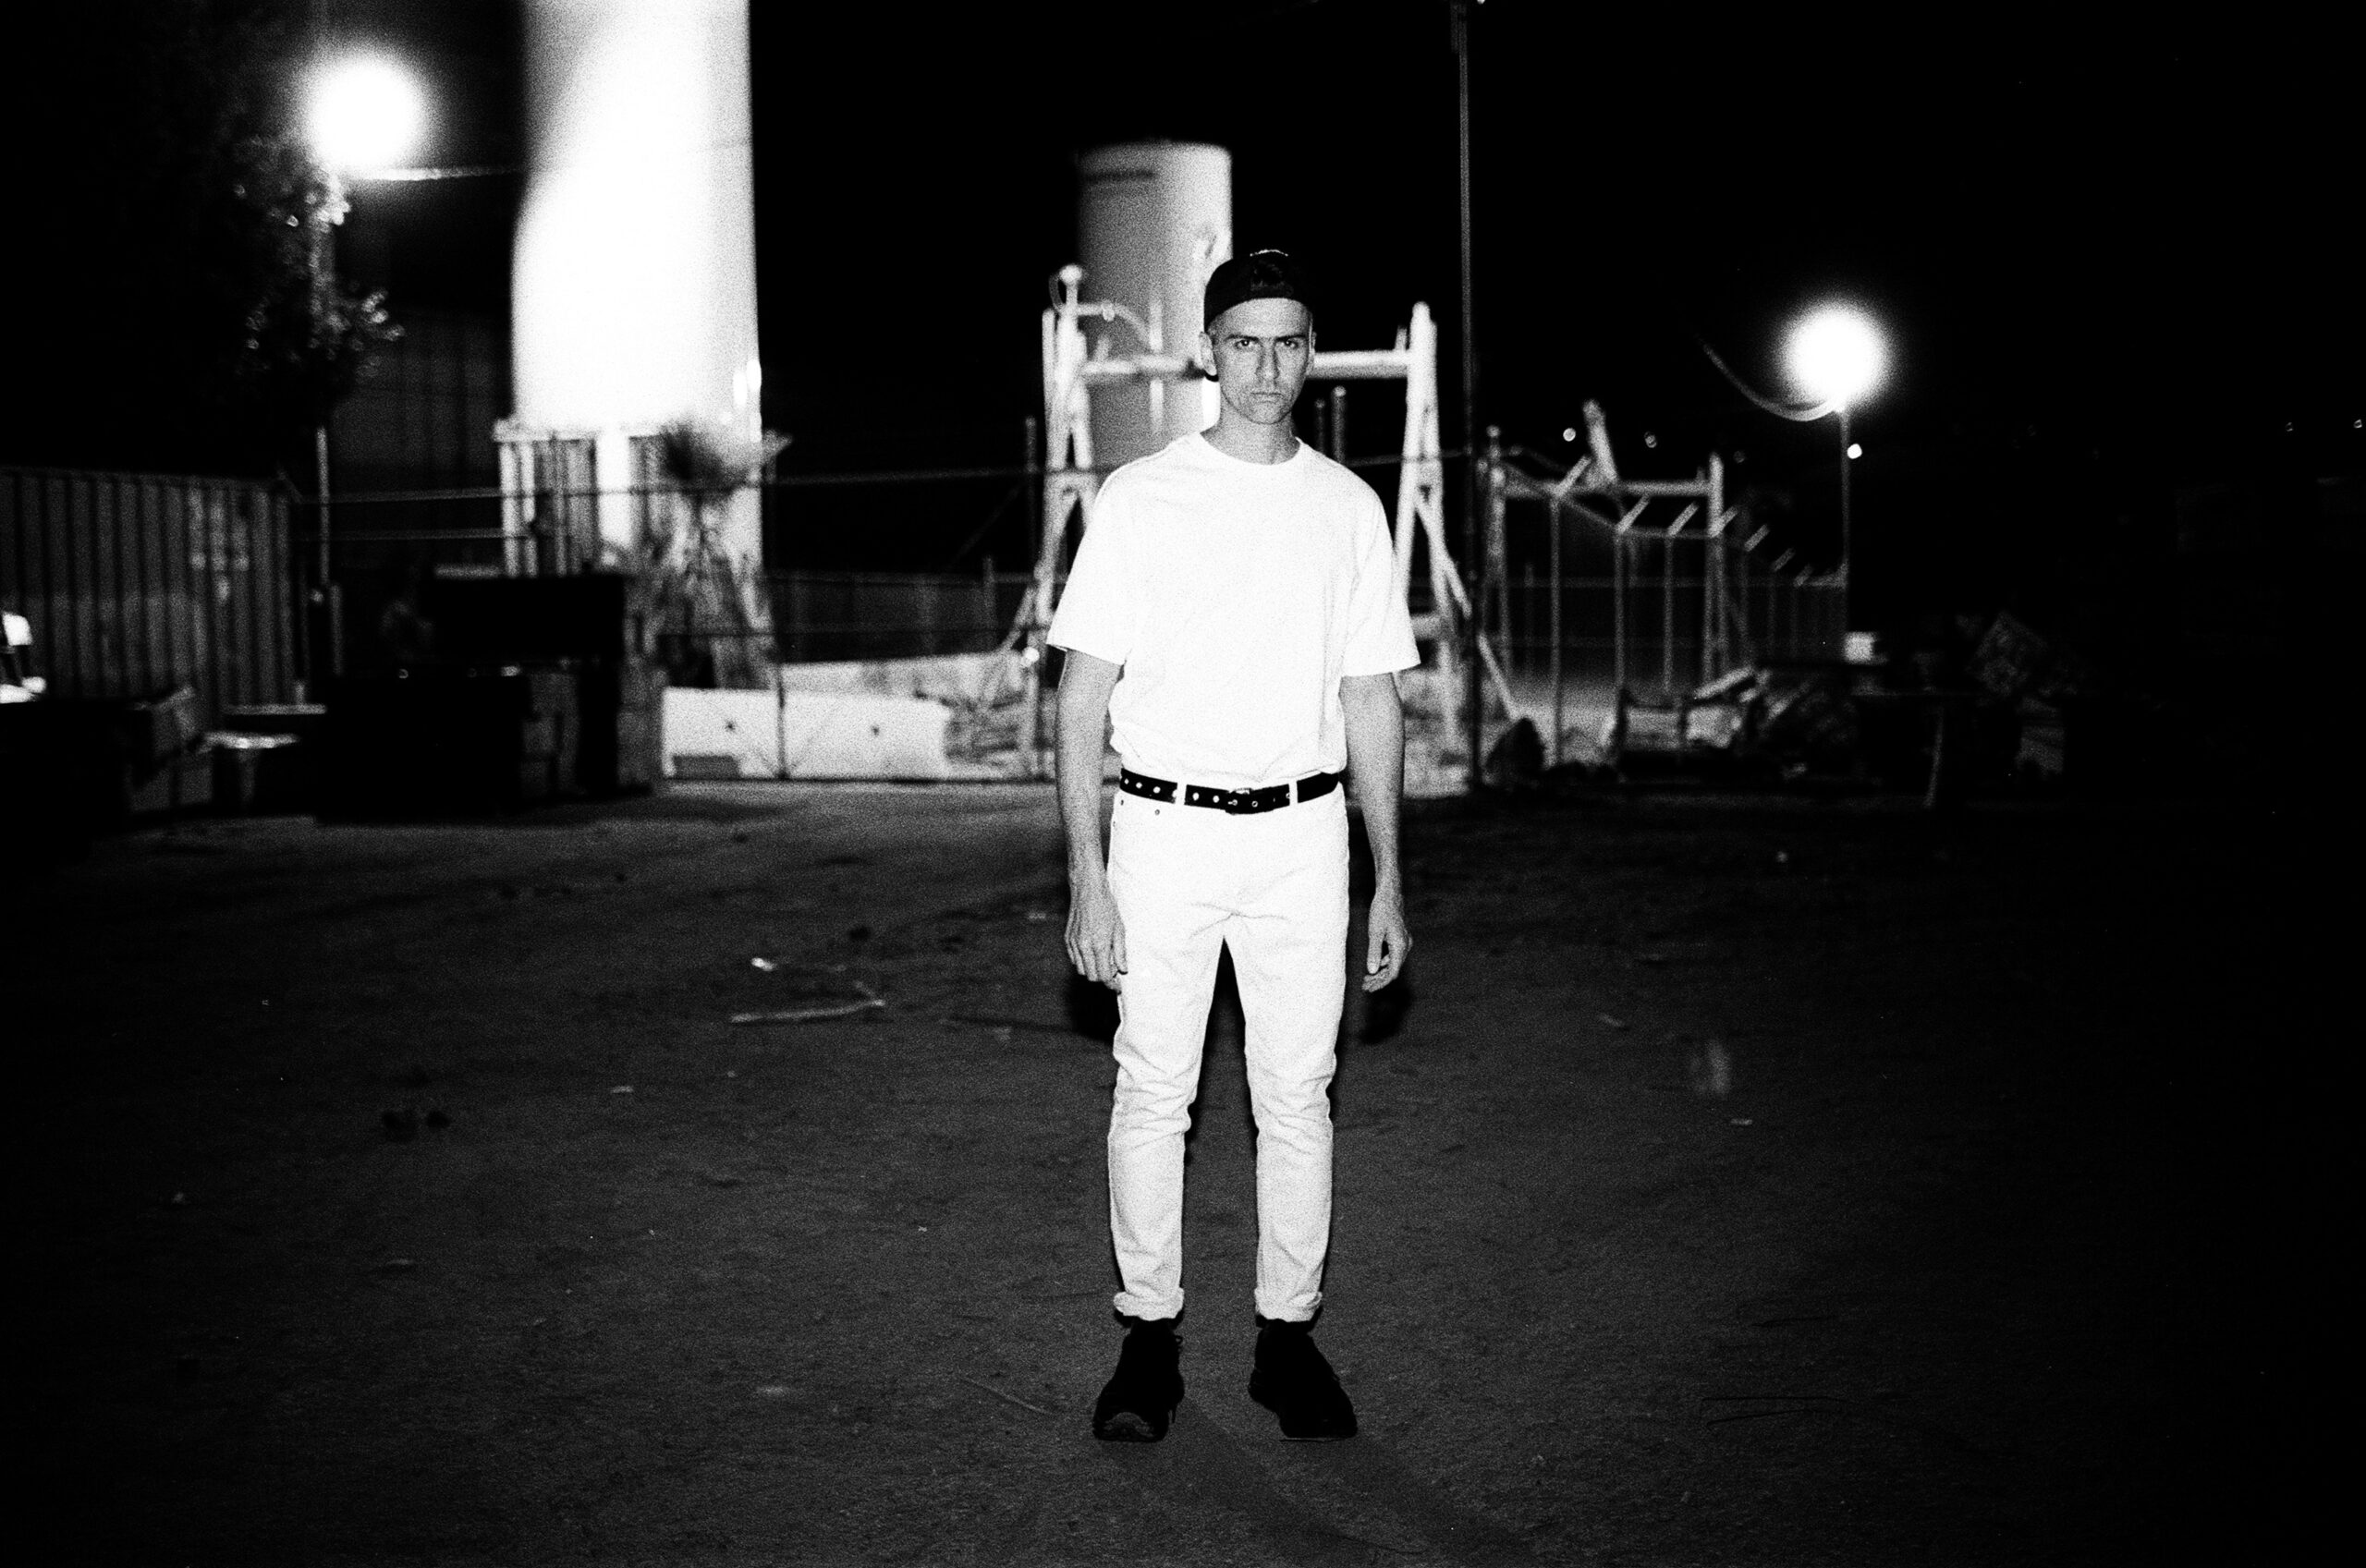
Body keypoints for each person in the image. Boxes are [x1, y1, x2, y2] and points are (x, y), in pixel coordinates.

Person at [1048, 249, 1419, 1443]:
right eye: (1245, 341)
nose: (1266, 366)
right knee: (1154, 1091)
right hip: (1163, 833)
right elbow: (1080, 699)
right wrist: (1086, 874)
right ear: (1209, 351)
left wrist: (1388, 878)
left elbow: (1372, 698)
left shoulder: (1348, 507)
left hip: (1303, 839)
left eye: (1288, 342)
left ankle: (1286, 1341)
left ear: (1312, 356)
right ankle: (1147, 1343)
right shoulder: (1141, 497)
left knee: (1296, 1096)